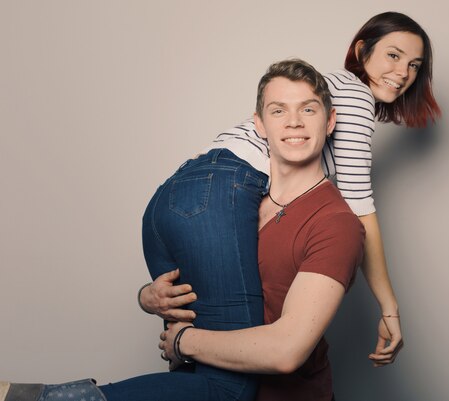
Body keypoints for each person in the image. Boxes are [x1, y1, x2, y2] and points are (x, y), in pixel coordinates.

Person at [0, 59, 363, 401]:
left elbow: (287, 350)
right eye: (279, 110)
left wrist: (183, 342)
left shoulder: (336, 223)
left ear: (329, 121)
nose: (294, 122)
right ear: (259, 124)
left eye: (308, 109)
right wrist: (151, 296)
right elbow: (206, 285)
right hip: (201, 384)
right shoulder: (235, 206)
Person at [141, 10, 440, 371]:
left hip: (173, 194)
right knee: (227, 382)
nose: (403, 73)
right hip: (222, 186)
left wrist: (145, 297)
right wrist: (389, 306)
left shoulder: (333, 88)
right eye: (393, 55)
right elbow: (360, 205)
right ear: (362, 51)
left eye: (414, 65)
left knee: (194, 364)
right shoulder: (357, 96)